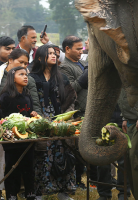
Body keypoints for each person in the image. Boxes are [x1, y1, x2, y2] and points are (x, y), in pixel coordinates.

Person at [0, 49, 42, 199]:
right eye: (21, 63)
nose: (25, 67)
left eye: (26, 64)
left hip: (24, 135)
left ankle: (24, 192)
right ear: (10, 60)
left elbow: (35, 104)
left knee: (26, 164)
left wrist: (35, 117)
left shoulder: (28, 83)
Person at [30, 44, 76, 200]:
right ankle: (39, 192)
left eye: (55, 54)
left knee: (63, 154)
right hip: (40, 120)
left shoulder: (61, 77)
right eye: (49, 53)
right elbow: (31, 100)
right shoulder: (32, 77)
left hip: (60, 120)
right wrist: (40, 120)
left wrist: (65, 118)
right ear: (40, 57)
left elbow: (71, 97)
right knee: (42, 157)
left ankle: (64, 191)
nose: (54, 56)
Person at [0, 66, 38, 200]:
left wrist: (33, 114)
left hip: (27, 137)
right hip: (11, 139)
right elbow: (2, 118)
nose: (25, 77)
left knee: (29, 166)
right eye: (21, 74)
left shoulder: (28, 94)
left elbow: (30, 113)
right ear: (13, 78)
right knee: (13, 167)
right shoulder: (5, 96)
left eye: (26, 75)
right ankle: (11, 194)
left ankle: (30, 192)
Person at [59, 36, 88, 189]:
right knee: (77, 149)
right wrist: (85, 77)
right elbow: (70, 90)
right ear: (67, 49)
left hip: (89, 109)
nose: (81, 51)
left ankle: (86, 179)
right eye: (78, 48)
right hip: (77, 112)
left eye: (82, 48)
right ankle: (77, 180)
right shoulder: (65, 67)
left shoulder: (83, 63)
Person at [96, 104, 131, 200]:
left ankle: (124, 193)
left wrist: (126, 118)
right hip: (105, 125)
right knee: (102, 161)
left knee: (123, 162)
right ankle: (104, 194)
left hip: (123, 124)